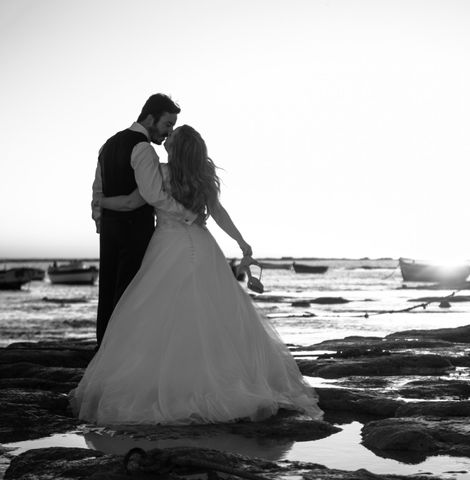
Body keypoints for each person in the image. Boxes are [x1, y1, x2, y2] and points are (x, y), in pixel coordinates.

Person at [71, 125, 322, 424]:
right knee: (211, 312)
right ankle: (218, 378)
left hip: (167, 243)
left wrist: (100, 203)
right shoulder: (202, 177)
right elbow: (218, 212)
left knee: (158, 312)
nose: (166, 139)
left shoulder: (161, 173)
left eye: (171, 138)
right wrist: (241, 242)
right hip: (202, 246)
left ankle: (174, 382)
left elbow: (132, 202)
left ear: (175, 148)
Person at [91, 94, 196, 347]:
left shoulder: (107, 145)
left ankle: (102, 353)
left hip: (110, 230)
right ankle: (122, 356)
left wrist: (99, 218)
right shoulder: (144, 149)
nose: (168, 131)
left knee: (107, 293)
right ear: (151, 117)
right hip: (135, 233)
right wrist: (188, 214)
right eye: (167, 124)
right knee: (130, 296)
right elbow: (153, 196)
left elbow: (98, 188)